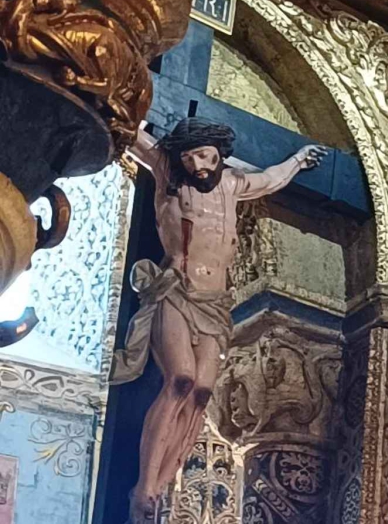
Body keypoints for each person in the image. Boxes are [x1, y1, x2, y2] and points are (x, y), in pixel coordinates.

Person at [112, 118, 326, 523]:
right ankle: (143, 485)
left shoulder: (232, 184)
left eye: (205, 156)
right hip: (177, 289)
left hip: (215, 302)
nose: (198, 166)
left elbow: (271, 179)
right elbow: (132, 135)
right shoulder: (168, 174)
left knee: (201, 393)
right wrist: (122, 108)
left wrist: (298, 160)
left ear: (219, 154)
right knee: (180, 380)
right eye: (190, 158)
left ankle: (160, 486)